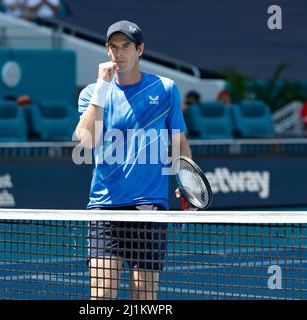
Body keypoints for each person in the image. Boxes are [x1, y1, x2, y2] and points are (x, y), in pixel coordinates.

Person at [75, 20, 192, 300]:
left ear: (140, 49)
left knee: (143, 298)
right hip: (105, 209)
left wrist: (186, 180)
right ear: (106, 50)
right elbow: (87, 140)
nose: (119, 53)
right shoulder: (92, 94)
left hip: (149, 208)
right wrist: (102, 88)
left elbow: (179, 143)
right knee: (101, 297)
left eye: (126, 46)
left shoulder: (165, 89)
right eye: (113, 47)